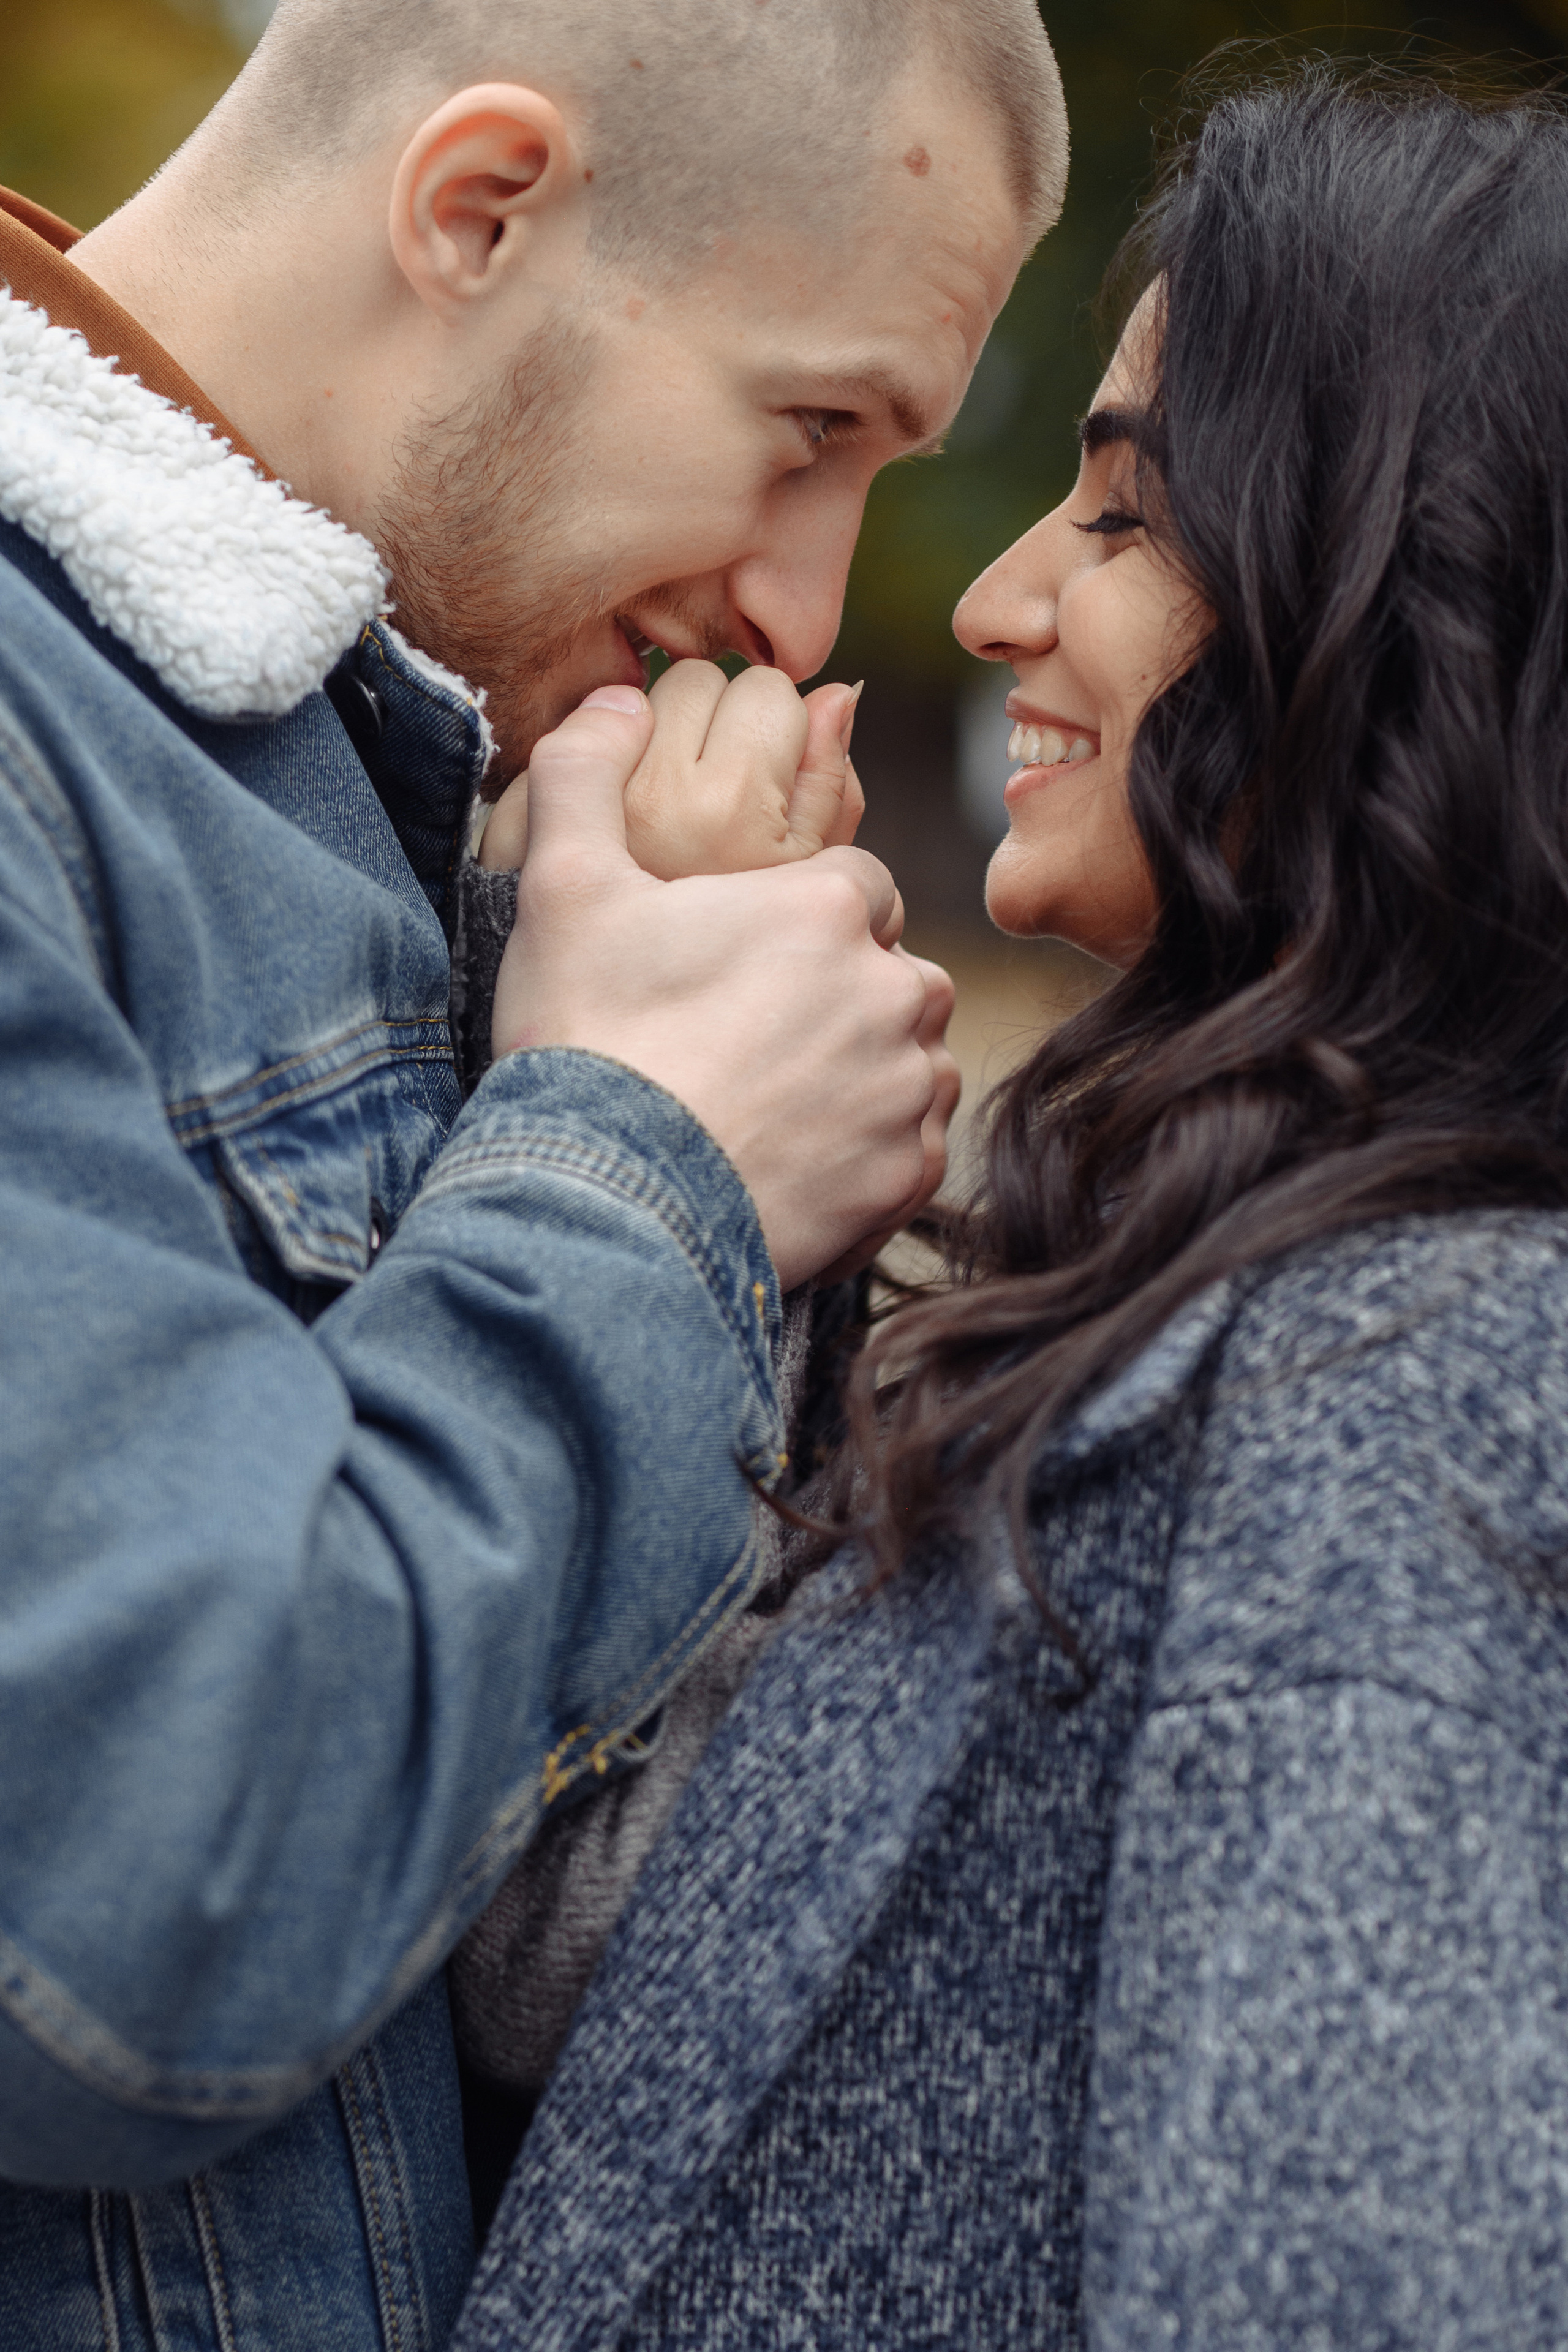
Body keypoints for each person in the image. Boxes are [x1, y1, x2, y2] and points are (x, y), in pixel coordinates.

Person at [449, 65, 1568, 2351]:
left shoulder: (1414, 1388)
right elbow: (589, 1967)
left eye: (1125, 519)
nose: (987, 600)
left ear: (1416, 586)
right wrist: (708, 1129)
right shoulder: (1238, 1298)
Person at [0, 2, 1068, 2345]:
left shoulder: (331, 774)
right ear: (480, 206)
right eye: (813, 431)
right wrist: (654, 1156)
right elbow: (118, 1907)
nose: (811, 604)